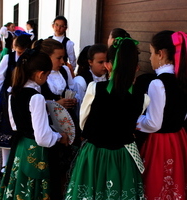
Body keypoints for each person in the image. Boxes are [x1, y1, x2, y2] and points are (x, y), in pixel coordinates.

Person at [64, 37, 147, 199]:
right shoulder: (143, 97)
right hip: (123, 157)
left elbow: (83, 123)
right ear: (136, 67)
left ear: (109, 65)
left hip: (94, 154)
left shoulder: (94, 89)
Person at [0, 48, 69, 200]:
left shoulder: (13, 92)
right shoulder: (36, 97)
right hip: (37, 152)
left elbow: (15, 125)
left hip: (21, 148)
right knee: (36, 190)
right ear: (40, 74)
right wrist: (59, 136)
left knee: (20, 187)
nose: (47, 78)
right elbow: (42, 137)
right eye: (47, 75)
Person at [136, 30, 187, 199]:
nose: (150, 59)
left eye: (151, 53)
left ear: (161, 54)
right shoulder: (182, 79)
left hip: (160, 144)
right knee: (174, 184)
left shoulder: (157, 83)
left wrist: (135, 119)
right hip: (179, 140)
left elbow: (153, 123)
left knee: (156, 184)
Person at [37, 38, 78, 199]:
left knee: (66, 165)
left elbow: (71, 87)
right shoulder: (39, 75)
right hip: (48, 126)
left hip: (65, 123)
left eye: (63, 57)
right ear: (47, 57)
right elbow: (34, 103)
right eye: (58, 58)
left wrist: (71, 100)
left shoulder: (64, 71)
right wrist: (55, 103)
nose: (62, 61)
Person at [0, 34, 32, 177]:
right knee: (5, 132)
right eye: (18, 52)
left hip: (23, 100)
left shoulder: (31, 60)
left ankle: (19, 162)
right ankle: (5, 165)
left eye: (22, 52)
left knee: (21, 132)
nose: (20, 55)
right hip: (7, 101)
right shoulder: (8, 59)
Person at [73, 43, 108, 117]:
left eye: (107, 61)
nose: (105, 65)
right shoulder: (81, 81)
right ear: (90, 62)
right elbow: (80, 110)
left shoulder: (110, 77)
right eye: (100, 62)